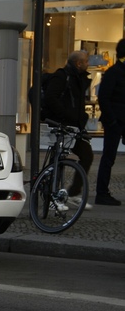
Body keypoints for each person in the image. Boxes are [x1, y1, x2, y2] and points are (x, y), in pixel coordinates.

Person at [44, 50, 93, 210]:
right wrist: (65, 115)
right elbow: (51, 98)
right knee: (58, 160)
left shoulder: (79, 78)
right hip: (61, 125)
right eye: (86, 61)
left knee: (86, 155)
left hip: (73, 126)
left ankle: (72, 193)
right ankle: (50, 197)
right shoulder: (62, 76)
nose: (88, 64)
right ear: (78, 63)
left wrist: (81, 119)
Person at [95, 39, 125, 206]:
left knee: (109, 157)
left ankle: (102, 193)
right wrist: (112, 120)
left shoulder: (118, 71)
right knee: (108, 157)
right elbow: (104, 98)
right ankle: (102, 193)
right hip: (115, 121)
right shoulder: (114, 72)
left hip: (119, 120)